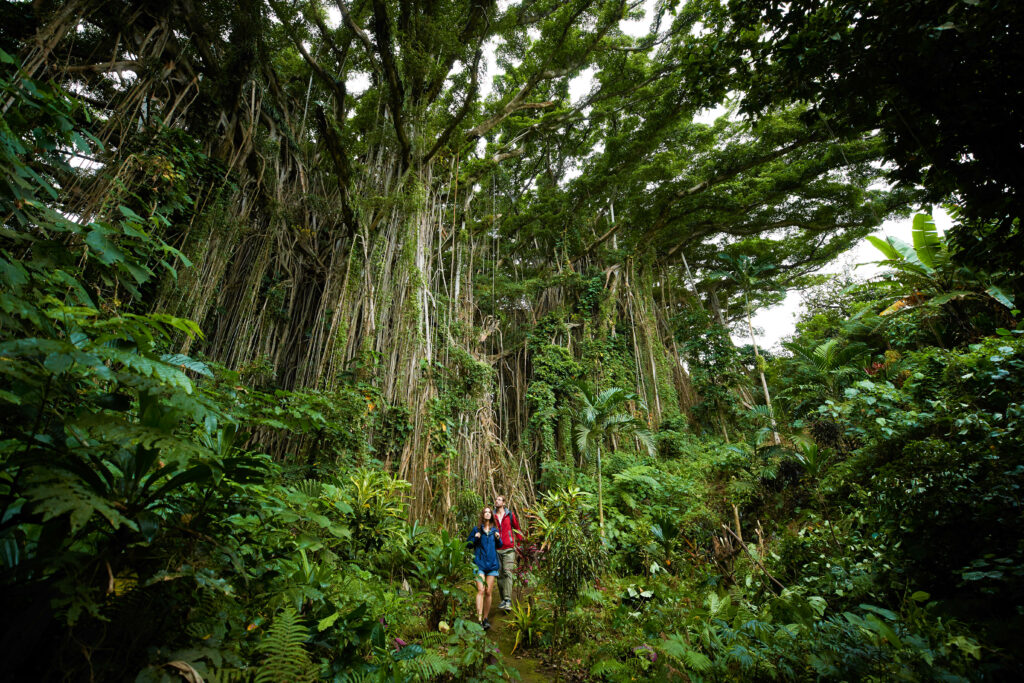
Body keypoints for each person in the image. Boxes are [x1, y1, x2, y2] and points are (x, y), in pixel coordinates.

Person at [466, 506, 502, 629]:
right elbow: (468, 545)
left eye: (489, 512)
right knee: (480, 590)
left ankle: (486, 618)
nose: (487, 514)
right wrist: (475, 538)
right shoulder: (477, 529)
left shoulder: (494, 531)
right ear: (482, 515)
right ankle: (479, 619)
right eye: (485, 512)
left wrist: (498, 538)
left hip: (491, 564)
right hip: (479, 564)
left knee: (488, 592)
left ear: (491, 515)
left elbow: (500, 545)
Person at [493, 494, 523, 612]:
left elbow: (517, 529)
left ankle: (508, 600)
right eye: (496, 499)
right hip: (496, 549)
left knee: (508, 572)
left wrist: (520, 545)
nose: (497, 501)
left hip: (509, 549)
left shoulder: (509, 515)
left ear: (504, 503)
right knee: (499, 576)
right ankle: (503, 600)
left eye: (499, 500)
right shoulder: (493, 516)